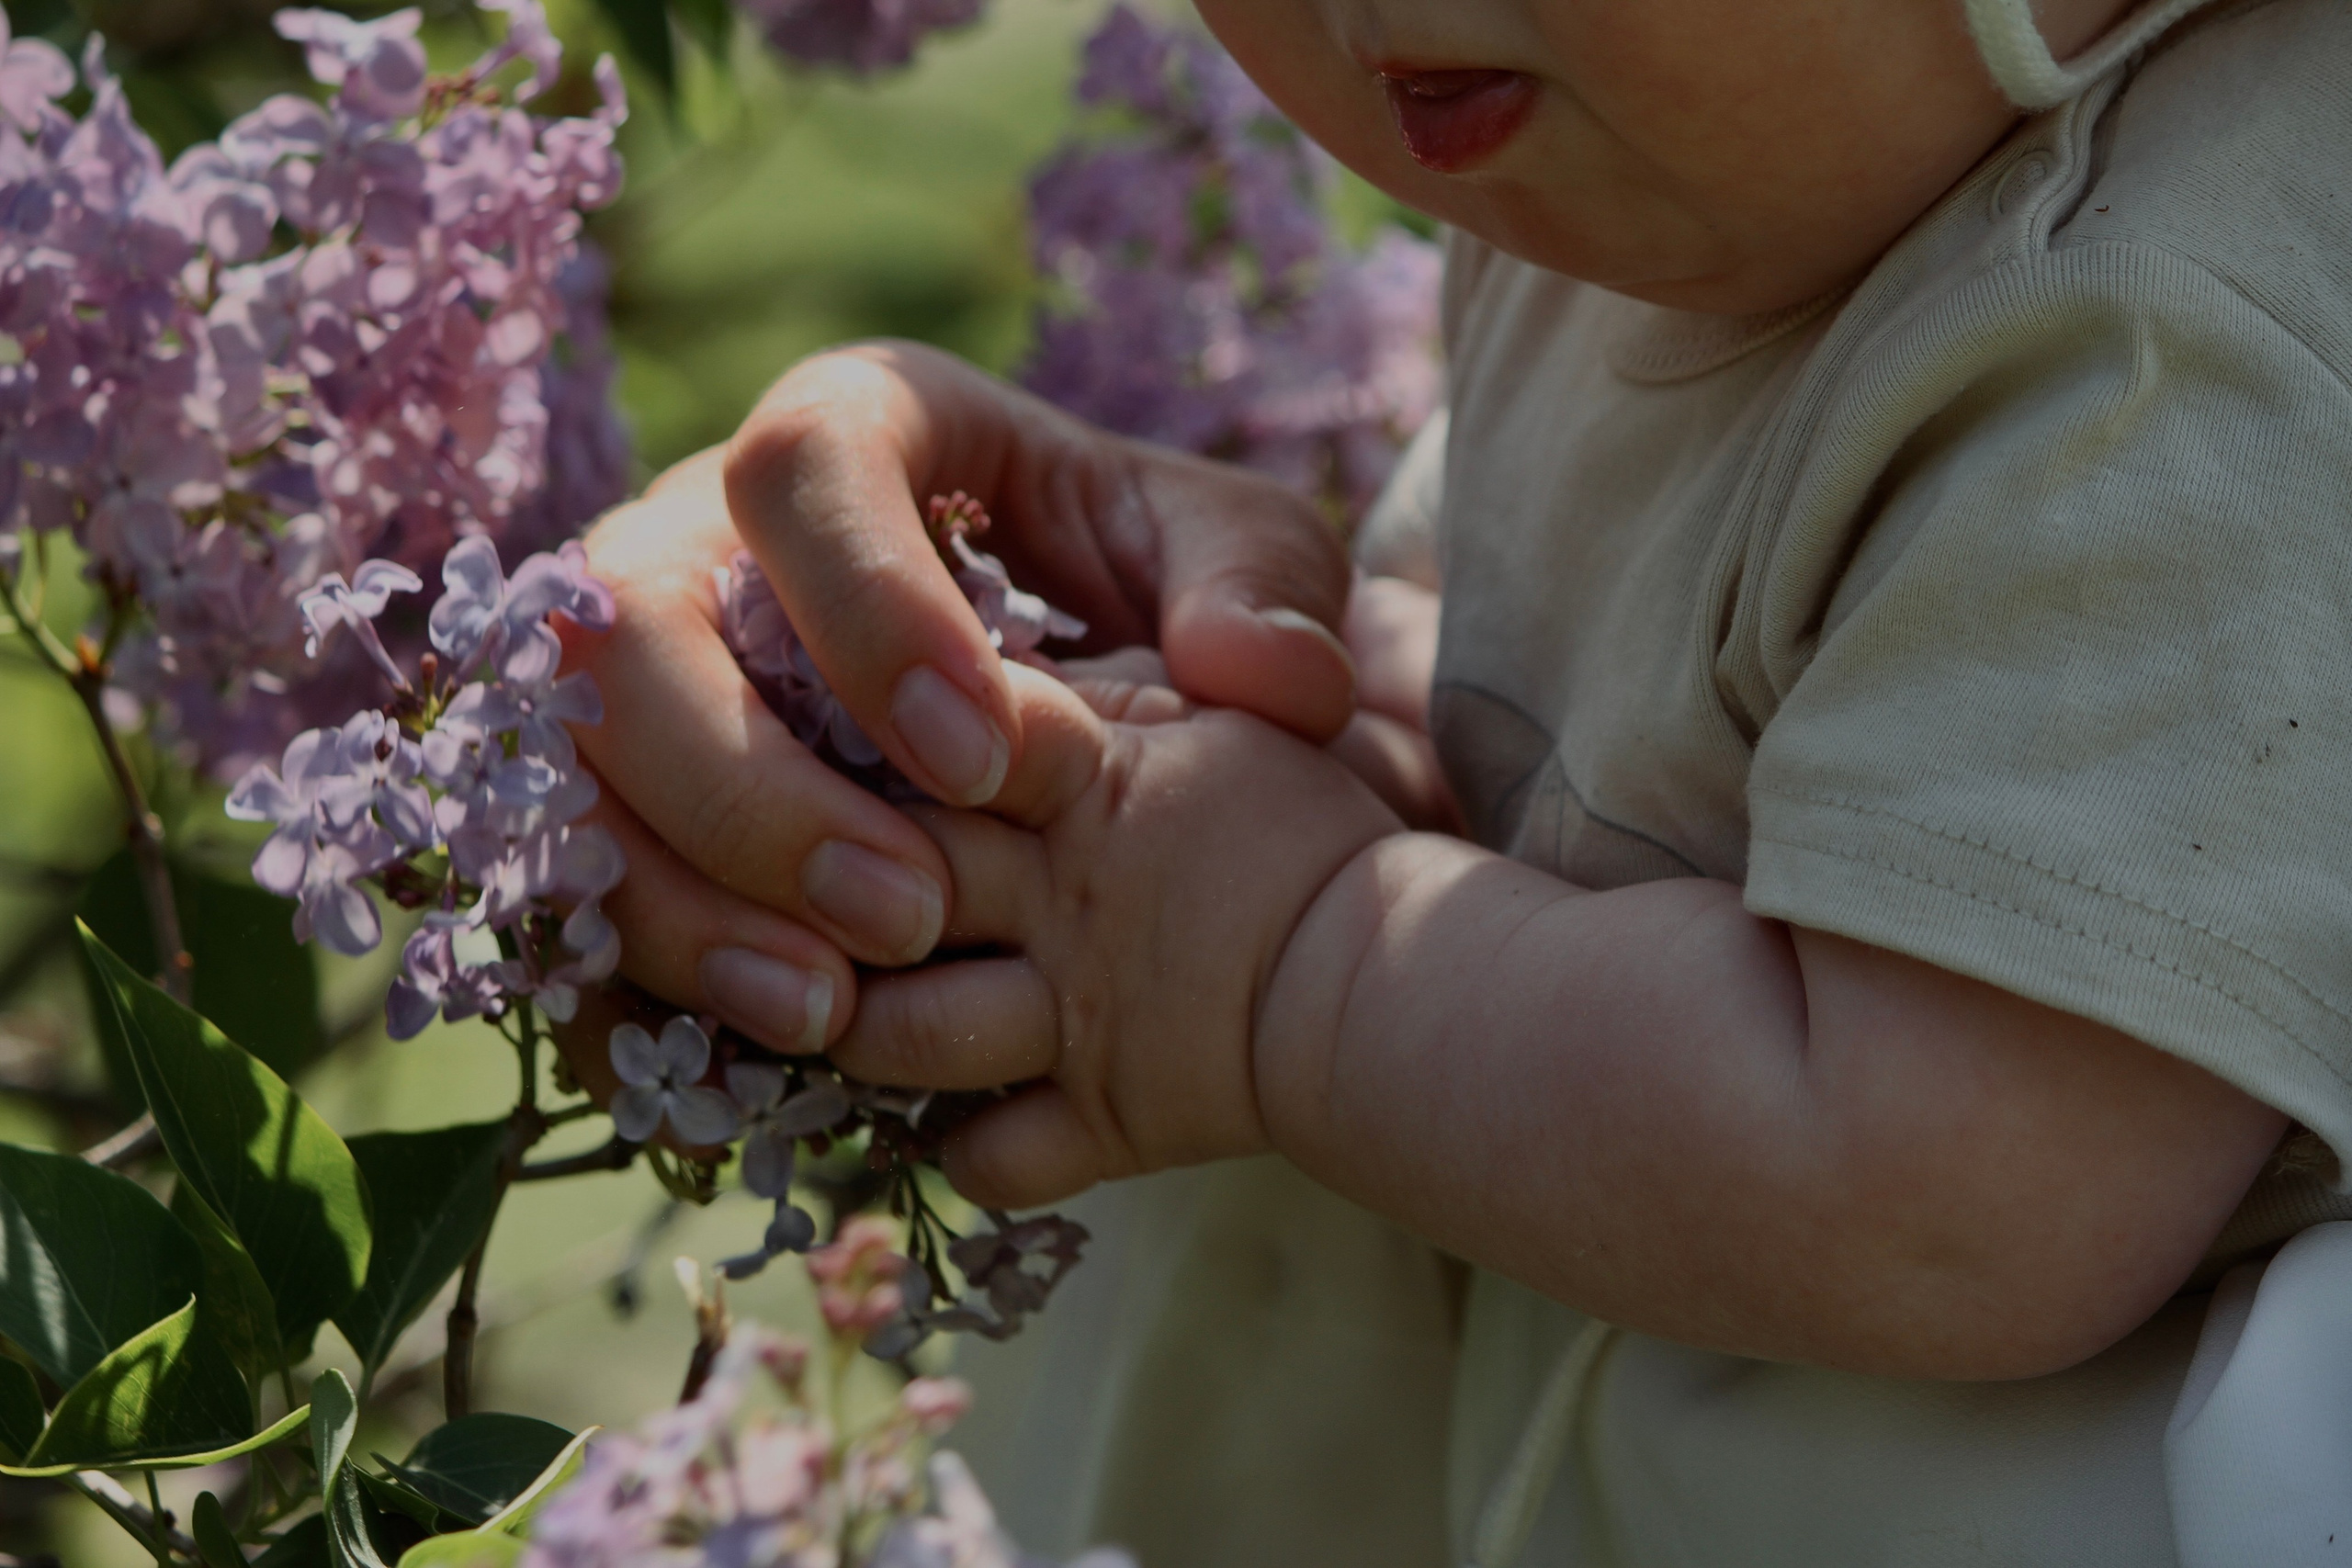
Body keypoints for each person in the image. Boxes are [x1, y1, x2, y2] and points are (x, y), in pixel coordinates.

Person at [559, 0, 2352, 1562]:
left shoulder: (2158, 353)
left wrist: (1296, 963)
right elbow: (1596, 754)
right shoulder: (1685, 157)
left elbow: (1958, 1184)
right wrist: (1272, 717)